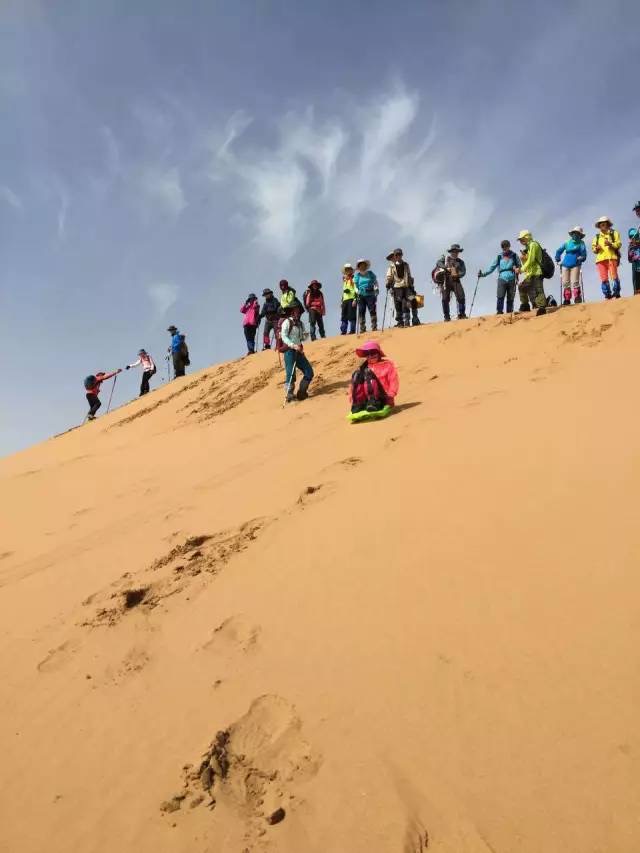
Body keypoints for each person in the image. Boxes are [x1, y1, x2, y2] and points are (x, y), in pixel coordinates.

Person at [348, 341, 399, 413]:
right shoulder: (364, 367)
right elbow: (354, 386)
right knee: (357, 374)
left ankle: (374, 402)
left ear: (378, 354)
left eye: (373, 353)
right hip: (367, 400)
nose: (370, 356)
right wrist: (351, 397)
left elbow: (393, 381)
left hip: (384, 398)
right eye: (367, 354)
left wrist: (391, 395)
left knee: (369, 375)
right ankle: (358, 403)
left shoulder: (387, 365)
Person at [478, 240, 522, 314]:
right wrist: (483, 274)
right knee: (500, 296)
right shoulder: (499, 256)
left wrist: (517, 269)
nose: (505, 248)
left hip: (512, 278)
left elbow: (519, 266)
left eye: (506, 246)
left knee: (510, 297)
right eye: (503, 246)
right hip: (502, 278)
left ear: (509, 246)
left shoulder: (514, 255)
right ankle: (499, 312)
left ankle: (509, 312)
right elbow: (491, 268)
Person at [280, 305, 314, 402]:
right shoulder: (287, 322)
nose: (298, 313)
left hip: (299, 351)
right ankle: (289, 396)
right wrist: (293, 345)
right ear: (291, 312)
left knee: (309, 372)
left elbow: (301, 338)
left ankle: (302, 392)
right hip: (290, 351)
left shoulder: (300, 324)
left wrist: (305, 336)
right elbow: (284, 336)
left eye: (299, 312)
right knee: (290, 374)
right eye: (296, 311)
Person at [385, 248, 419, 327]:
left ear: (401, 255)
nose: (398, 256)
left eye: (399, 254)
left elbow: (409, 275)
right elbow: (389, 276)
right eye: (396, 255)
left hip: (407, 287)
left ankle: (415, 319)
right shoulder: (391, 266)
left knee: (413, 299)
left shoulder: (406, 265)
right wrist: (388, 283)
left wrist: (411, 286)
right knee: (401, 303)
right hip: (397, 288)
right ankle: (404, 321)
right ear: (395, 256)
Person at [555, 226, 587, 305]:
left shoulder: (581, 243)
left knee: (575, 281)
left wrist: (581, 258)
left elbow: (584, 254)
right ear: (572, 234)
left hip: (576, 264)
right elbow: (559, 251)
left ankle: (577, 297)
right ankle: (567, 299)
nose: (576, 235)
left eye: (578, 233)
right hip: (565, 264)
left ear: (580, 235)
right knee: (565, 282)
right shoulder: (567, 242)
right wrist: (557, 258)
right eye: (574, 233)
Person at [517, 230, 546, 315]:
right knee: (522, 287)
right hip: (531, 273)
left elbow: (531, 260)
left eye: (522, 239)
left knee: (538, 290)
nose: (521, 241)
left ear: (527, 237)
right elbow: (528, 261)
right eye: (520, 240)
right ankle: (525, 305)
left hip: (537, 272)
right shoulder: (528, 247)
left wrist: (521, 269)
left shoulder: (533, 244)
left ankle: (542, 308)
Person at [592, 216, 622, 299]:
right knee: (604, 278)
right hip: (600, 260)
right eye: (601, 224)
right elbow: (593, 249)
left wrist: (610, 244)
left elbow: (618, 244)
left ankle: (616, 292)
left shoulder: (614, 233)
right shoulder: (597, 237)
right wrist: (596, 248)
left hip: (611, 257)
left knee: (614, 276)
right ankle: (607, 294)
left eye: (604, 223)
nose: (602, 225)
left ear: (608, 224)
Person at [434, 243, 466, 321]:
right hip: (446, 280)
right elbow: (438, 263)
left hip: (456, 281)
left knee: (461, 297)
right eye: (454, 251)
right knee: (445, 299)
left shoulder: (461, 262)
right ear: (451, 252)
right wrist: (446, 268)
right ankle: (446, 316)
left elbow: (463, 272)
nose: (455, 253)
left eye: (457, 251)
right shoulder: (445, 259)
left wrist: (457, 275)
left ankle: (461, 314)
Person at [353, 259, 378, 332]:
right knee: (361, 310)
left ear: (366, 266)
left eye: (363, 265)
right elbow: (355, 285)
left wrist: (376, 289)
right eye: (360, 265)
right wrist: (357, 291)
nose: (362, 266)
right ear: (359, 267)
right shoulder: (357, 276)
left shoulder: (370, 274)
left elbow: (375, 282)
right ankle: (362, 328)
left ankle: (374, 326)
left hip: (370, 294)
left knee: (372, 309)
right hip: (361, 295)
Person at [340, 263, 357, 335]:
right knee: (344, 316)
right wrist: (342, 301)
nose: (347, 271)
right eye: (346, 270)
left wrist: (355, 299)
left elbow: (356, 289)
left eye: (349, 269)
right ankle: (343, 330)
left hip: (351, 299)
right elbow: (343, 292)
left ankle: (352, 330)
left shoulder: (354, 279)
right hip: (345, 300)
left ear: (351, 270)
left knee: (352, 315)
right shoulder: (345, 281)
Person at [628, 227, 640, 295]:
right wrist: (631, 250)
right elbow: (629, 259)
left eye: (636, 236)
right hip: (635, 267)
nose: (634, 238)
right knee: (637, 283)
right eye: (631, 237)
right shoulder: (631, 246)